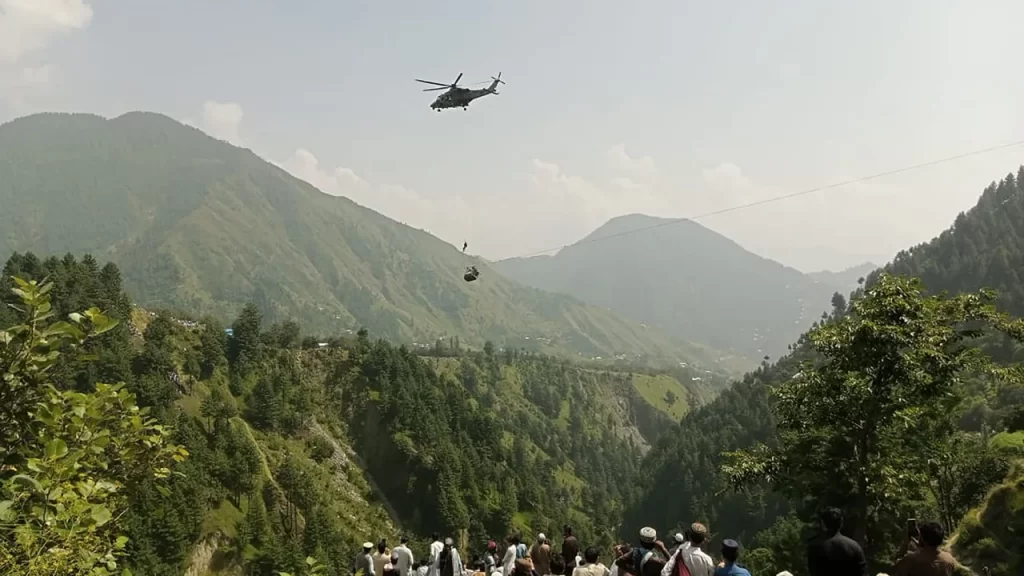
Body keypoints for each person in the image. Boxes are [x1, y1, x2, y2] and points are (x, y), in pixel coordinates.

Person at [807, 508, 867, 576]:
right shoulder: (854, 546)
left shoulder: (815, 547)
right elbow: (861, 571)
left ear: (823, 524)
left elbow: (813, 572)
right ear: (841, 524)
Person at [891, 521, 962, 576]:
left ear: (921, 538)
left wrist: (905, 545)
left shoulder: (910, 559)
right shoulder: (949, 559)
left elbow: (895, 571)